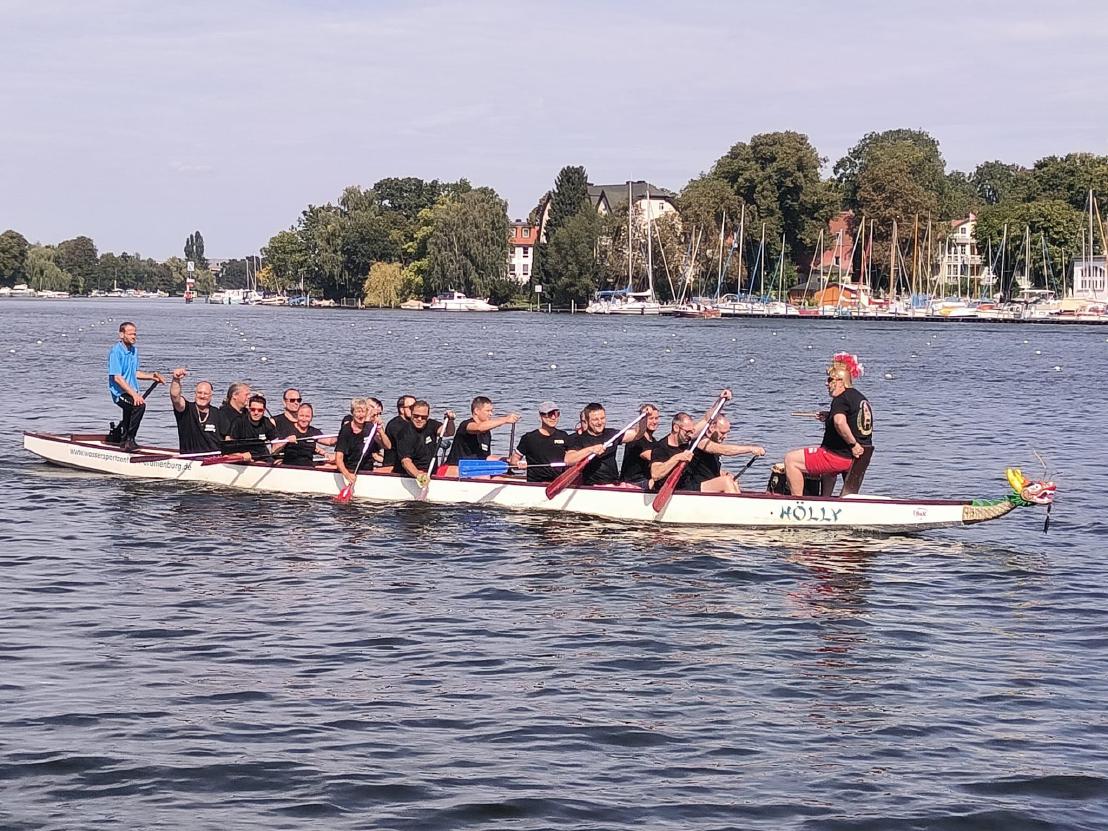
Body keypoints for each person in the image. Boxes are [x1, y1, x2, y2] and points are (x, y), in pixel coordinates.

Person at [783, 355, 872, 497]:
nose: (827, 384)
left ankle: (797, 504)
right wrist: (829, 417)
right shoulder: (859, 397)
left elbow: (840, 422)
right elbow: (851, 421)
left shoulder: (840, 399)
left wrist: (853, 444)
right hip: (859, 458)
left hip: (840, 456)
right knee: (824, 465)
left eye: (830, 380)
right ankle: (826, 499)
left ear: (841, 381)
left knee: (791, 459)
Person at [107, 321, 164, 451]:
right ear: (122, 335)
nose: (134, 337)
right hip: (119, 393)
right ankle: (130, 440)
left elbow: (134, 373)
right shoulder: (116, 352)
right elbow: (117, 377)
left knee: (129, 413)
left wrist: (152, 376)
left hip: (131, 391)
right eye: (131, 334)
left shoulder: (134, 351)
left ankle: (123, 439)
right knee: (139, 405)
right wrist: (134, 395)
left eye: (135, 334)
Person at [563, 402, 649, 486]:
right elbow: (568, 460)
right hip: (594, 486)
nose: (600, 422)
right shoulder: (579, 439)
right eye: (595, 420)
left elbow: (638, 434)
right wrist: (591, 449)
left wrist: (644, 417)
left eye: (602, 418)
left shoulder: (612, 434)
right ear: (586, 421)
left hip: (614, 483)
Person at [681, 415, 765, 494]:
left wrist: (722, 473)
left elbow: (704, 469)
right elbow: (725, 450)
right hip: (692, 488)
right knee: (725, 482)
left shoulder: (714, 442)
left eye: (727, 433)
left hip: (707, 485)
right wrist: (750, 449)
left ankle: (740, 503)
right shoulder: (700, 442)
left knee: (731, 480)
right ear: (711, 427)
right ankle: (737, 506)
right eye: (722, 433)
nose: (725, 437)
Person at [445, 396, 520, 469]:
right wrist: (505, 419)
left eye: (491, 411)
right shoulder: (466, 425)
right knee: (487, 477)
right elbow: (479, 428)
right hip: (455, 467)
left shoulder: (486, 432)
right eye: (488, 411)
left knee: (501, 477)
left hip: (474, 469)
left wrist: (507, 460)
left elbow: (486, 457)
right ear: (476, 411)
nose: (491, 414)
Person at [396, 399, 456, 485]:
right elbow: (406, 461)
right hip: (413, 474)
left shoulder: (431, 425)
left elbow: (449, 432)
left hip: (431, 472)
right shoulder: (404, 433)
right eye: (416, 416)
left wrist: (450, 421)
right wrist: (419, 475)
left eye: (424, 417)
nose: (419, 419)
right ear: (411, 414)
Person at [509, 401, 570, 483]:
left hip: (558, 484)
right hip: (535, 483)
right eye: (549, 414)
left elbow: (571, 458)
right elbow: (514, 460)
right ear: (540, 416)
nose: (553, 417)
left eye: (556, 414)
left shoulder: (564, 436)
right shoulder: (529, 438)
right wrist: (518, 465)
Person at [334, 398, 389, 484]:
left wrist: (380, 430)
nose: (361, 415)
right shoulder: (346, 430)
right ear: (353, 413)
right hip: (350, 469)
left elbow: (387, 446)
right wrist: (348, 475)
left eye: (363, 412)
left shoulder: (370, 427)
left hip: (367, 470)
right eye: (358, 412)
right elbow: (339, 458)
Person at [168, 367, 221, 454]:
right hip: (190, 460)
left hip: (214, 460)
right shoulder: (186, 409)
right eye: (199, 393)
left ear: (211, 396)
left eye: (206, 393)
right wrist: (176, 380)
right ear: (195, 394)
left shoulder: (218, 413)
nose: (202, 396)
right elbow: (175, 397)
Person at [619, 403, 660, 489]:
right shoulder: (635, 439)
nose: (654, 422)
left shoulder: (654, 442)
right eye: (651, 418)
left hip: (646, 480)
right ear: (643, 420)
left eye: (656, 418)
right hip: (633, 482)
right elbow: (649, 455)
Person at [226, 394, 277, 462]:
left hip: (263, 457)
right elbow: (228, 444)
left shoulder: (266, 422)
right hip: (243, 458)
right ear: (249, 409)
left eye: (260, 410)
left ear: (264, 411)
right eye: (253, 409)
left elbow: (276, 441)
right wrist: (240, 455)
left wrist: (287, 440)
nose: (256, 413)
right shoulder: (239, 422)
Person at [278, 403, 330, 467]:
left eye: (307, 416)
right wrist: (286, 440)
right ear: (297, 416)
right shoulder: (287, 429)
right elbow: (274, 449)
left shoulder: (313, 431)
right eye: (301, 416)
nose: (304, 419)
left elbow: (329, 441)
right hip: (289, 467)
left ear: (311, 418)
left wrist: (344, 433)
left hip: (309, 467)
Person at [378, 394, 416, 473]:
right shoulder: (396, 425)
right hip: (393, 467)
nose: (414, 410)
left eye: (415, 407)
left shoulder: (412, 424)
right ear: (402, 409)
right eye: (411, 408)